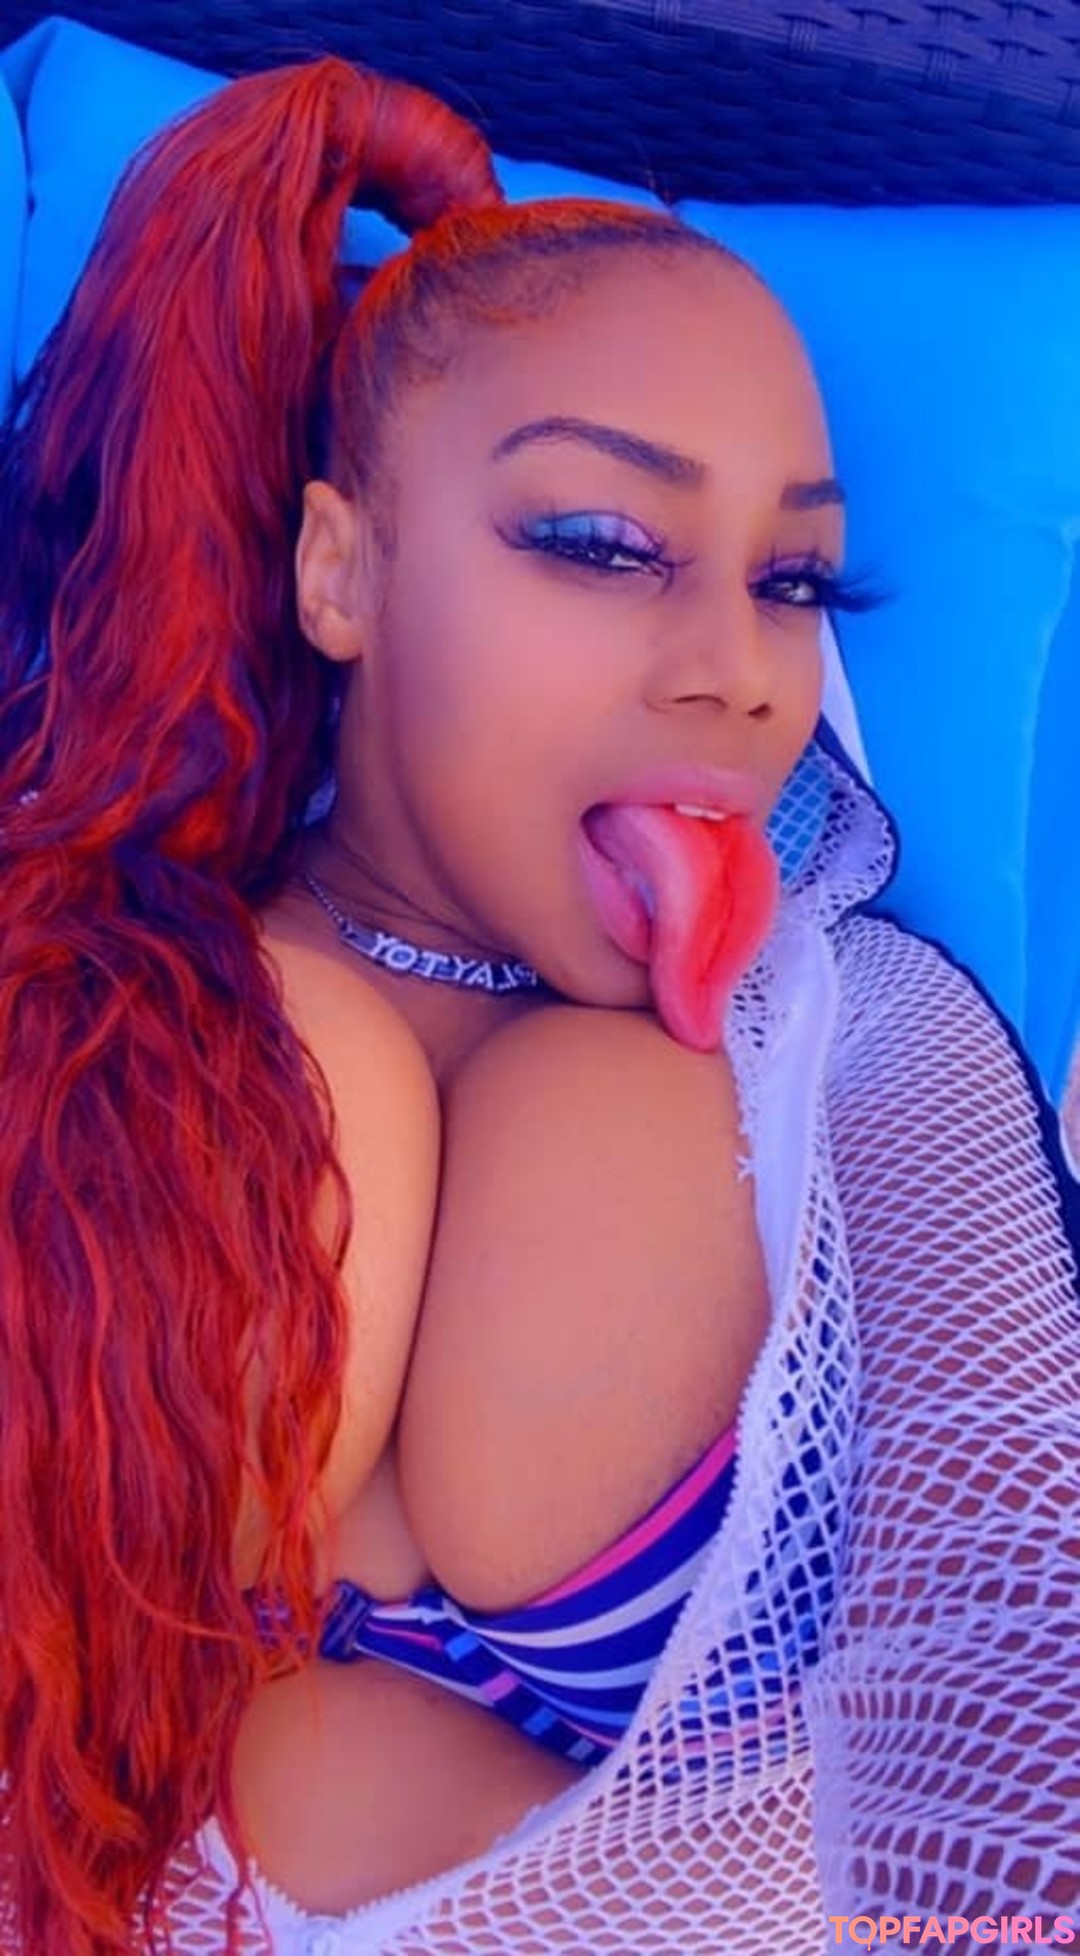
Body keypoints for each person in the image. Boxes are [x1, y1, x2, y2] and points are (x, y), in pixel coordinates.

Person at [1, 55, 1077, 1956]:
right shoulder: (77, 1028)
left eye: (797, 579)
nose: (740, 670)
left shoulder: (862, 1044)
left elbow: (1025, 1683)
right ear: (341, 572)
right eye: (597, 544)